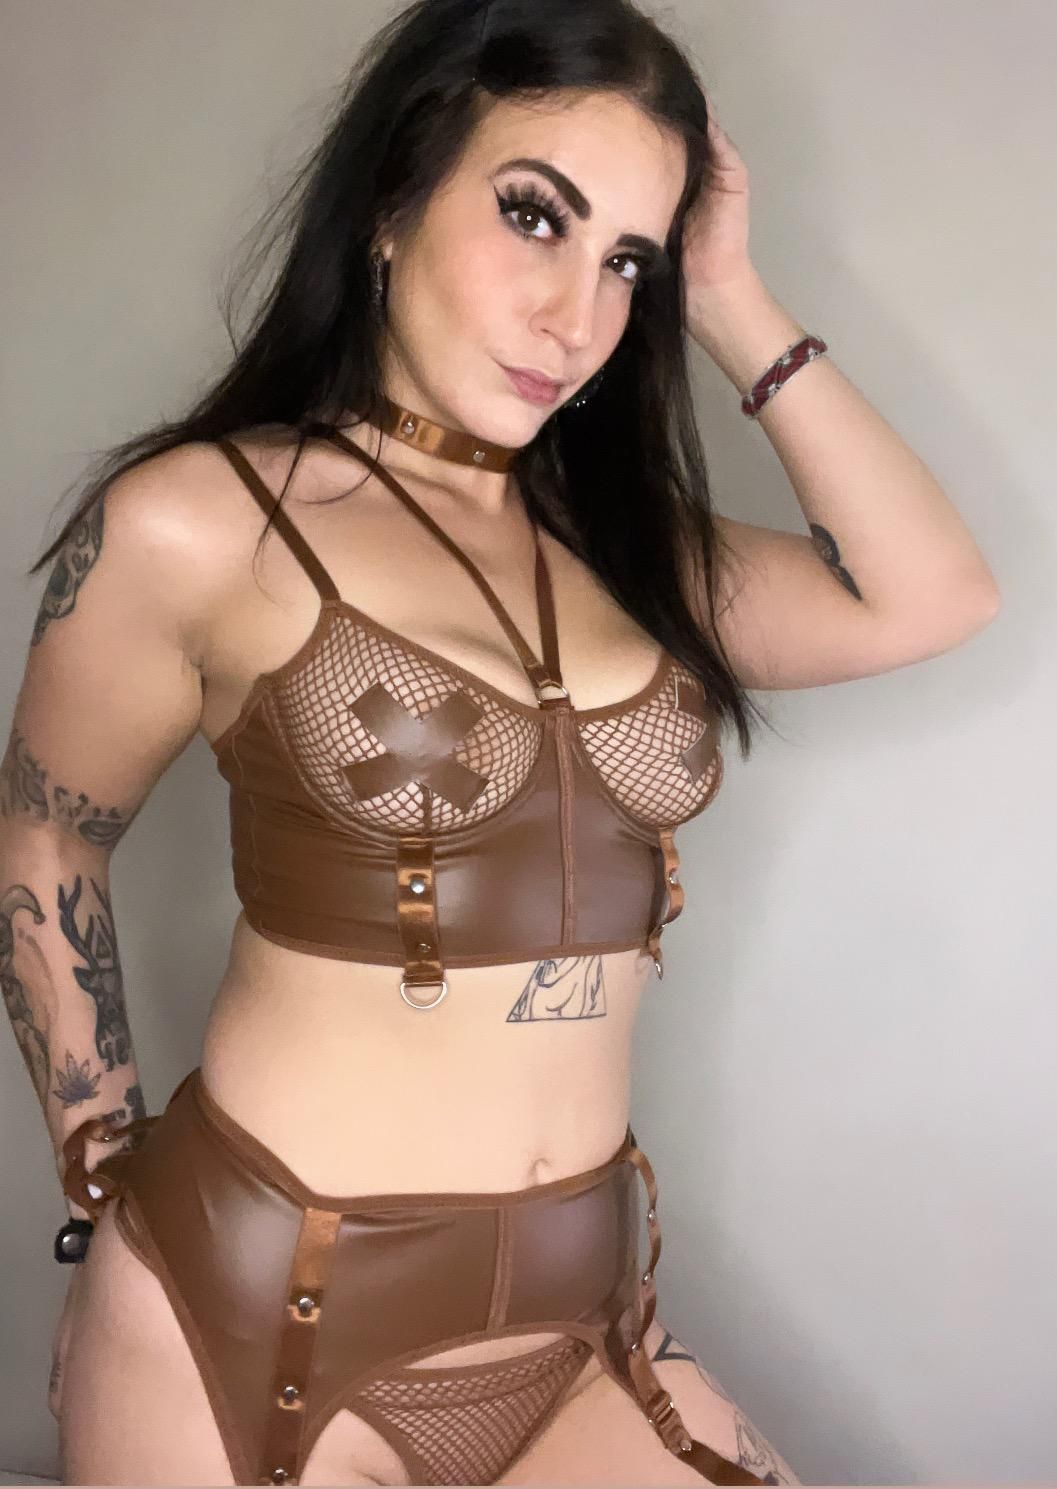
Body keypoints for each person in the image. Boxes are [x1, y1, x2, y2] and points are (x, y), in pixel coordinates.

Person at [1, 1, 999, 1485]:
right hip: (250, 1308)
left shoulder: (634, 553)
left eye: (627, 262)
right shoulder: (197, 523)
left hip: (575, 1313)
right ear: (391, 203)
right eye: (535, 216)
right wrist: (100, 1174)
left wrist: (728, 293)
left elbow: (932, 594)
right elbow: (47, 831)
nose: (576, 318)